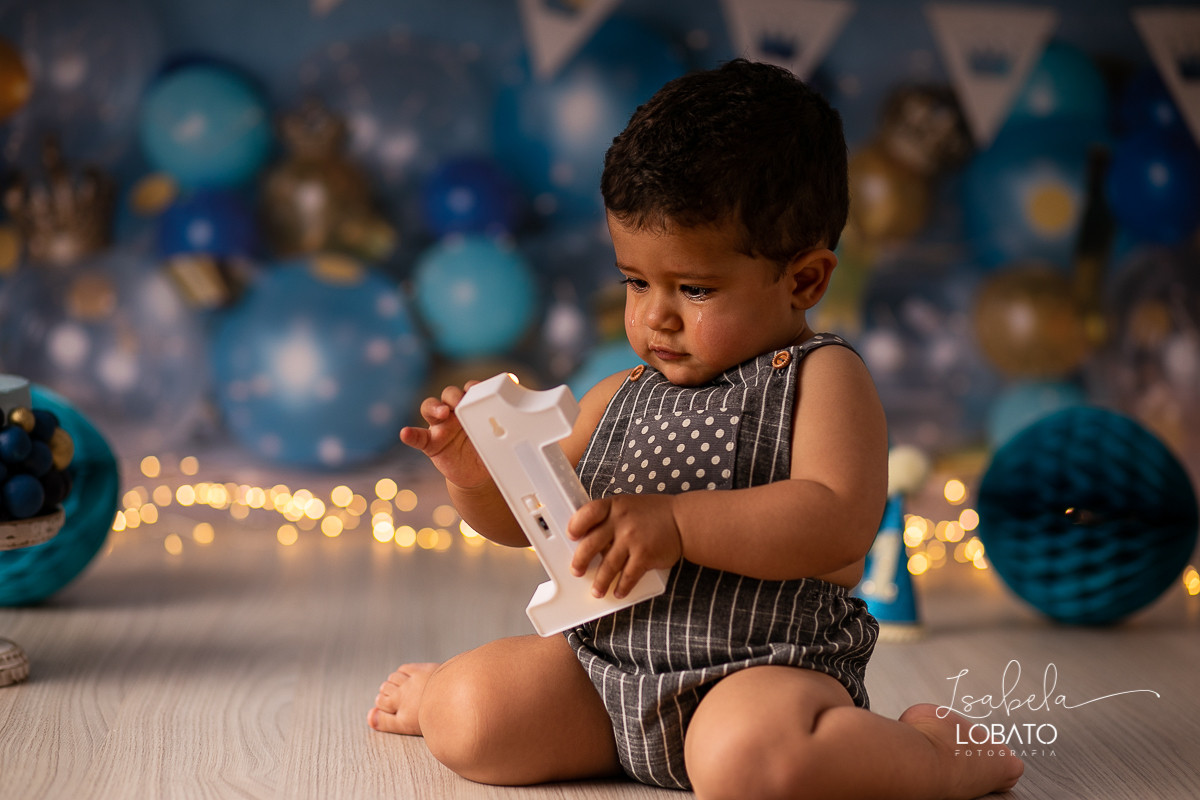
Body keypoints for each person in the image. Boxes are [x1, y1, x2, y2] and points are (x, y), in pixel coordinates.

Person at [369, 59, 1024, 799]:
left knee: (750, 763)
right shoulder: (615, 395)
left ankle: (934, 754)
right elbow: (537, 526)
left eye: (695, 288)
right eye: (636, 281)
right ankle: (445, 698)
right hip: (603, 672)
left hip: (759, 675)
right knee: (474, 718)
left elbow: (839, 524)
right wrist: (473, 473)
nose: (656, 316)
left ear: (804, 280)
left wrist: (677, 522)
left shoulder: (818, 379)